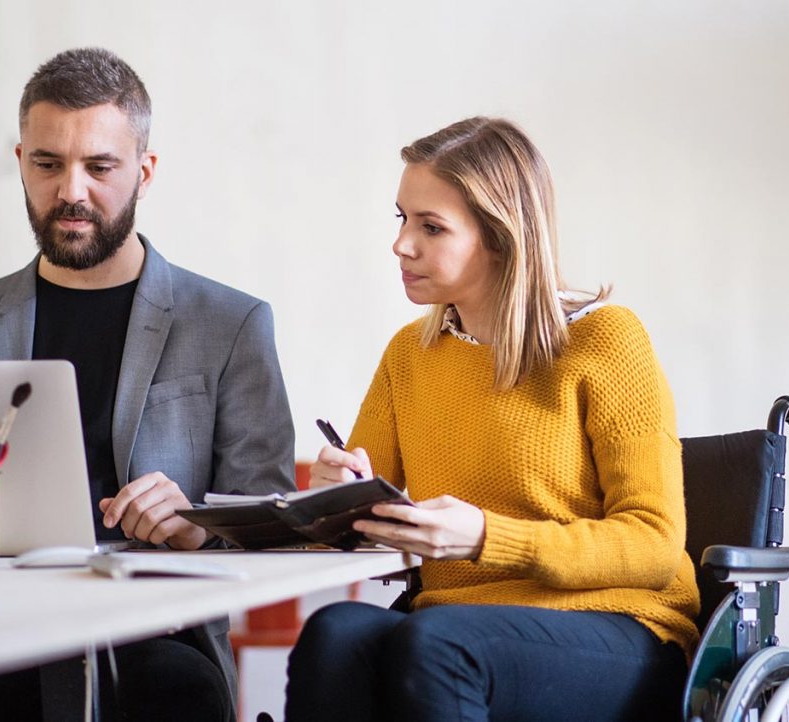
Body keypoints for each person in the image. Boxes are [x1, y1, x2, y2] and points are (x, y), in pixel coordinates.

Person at [0, 47, 294, 720]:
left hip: (153, 634)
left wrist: (197, 527)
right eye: (48, 164)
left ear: (144, 173)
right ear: (20, 165)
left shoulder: (231, 324)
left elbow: (274, 519)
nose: (71, 191)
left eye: (99, 167)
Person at [283, 117, 699, 721]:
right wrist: (337, 500)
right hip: (453, 625)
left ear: (501, 237)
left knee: (438, 645)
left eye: (432, 227)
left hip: (618, 625)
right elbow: (372, 517)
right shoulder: (411, 355)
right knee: (335, 633)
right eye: (402, 219)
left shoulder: (607, 341)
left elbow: (655, 545)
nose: (402, 244)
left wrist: (485, 536)